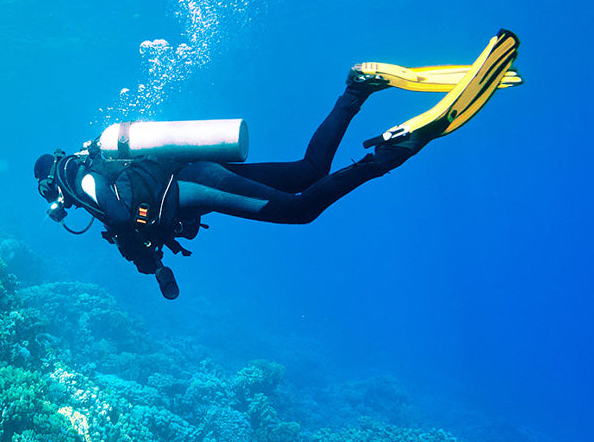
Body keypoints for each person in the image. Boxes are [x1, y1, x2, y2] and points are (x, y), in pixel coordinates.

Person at [35, 30, 520, 299]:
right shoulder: (90, 164)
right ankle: (356, 89)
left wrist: (138, 254)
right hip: (190, 177)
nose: (57, 206)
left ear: (50, 183)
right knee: (308, 171)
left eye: (49, 197)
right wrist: (155, 265)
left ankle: (392, 152)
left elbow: (119, 215)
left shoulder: (77, 178)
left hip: (191, 184)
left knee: (300, 209)